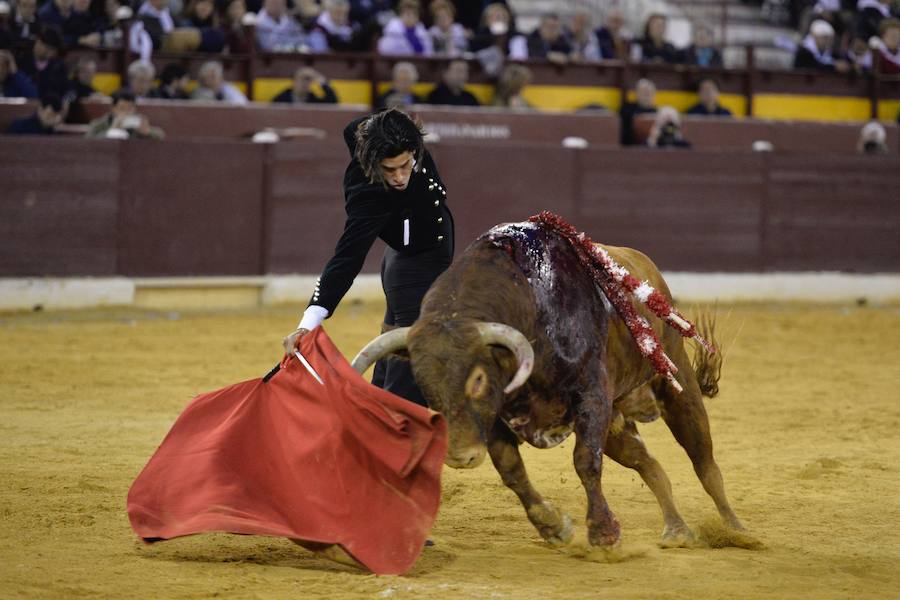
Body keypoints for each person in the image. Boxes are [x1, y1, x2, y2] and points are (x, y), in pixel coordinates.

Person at [282, 108, 455, 409]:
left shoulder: (397, 134)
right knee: (410, 353)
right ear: (373, 163)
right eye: (390, 170)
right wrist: (308, 323)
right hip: (412, 268)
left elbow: (357, 126)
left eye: (405, 165)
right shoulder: (368, 195)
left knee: (393, 348)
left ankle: (376, 419)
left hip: (410, 263)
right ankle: (393, 434)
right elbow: (346, 259)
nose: (400, 177)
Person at [85, 89, 164, 138]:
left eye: (130, 108)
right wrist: (111, 131)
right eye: (122, 108)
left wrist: (148, 133)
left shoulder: (139, 123)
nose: (126, 112)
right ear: (113, 108)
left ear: (135, 109)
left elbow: (160, 136)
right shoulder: (99, 124)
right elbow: (89, 141)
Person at [619, 78, 657, 146]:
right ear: (637, 93)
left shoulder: (657, 112)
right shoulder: (627, 110)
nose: (647, 95)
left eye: (650, 92)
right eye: (644, 92)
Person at [271, 66, 338, 104]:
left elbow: (333, 102)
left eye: (308, 79)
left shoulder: (313, 99)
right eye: (301, 79)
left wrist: (322, 82)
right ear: (293, 81)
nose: (304, 82)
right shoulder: (282, 98)